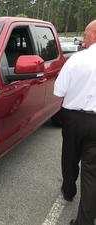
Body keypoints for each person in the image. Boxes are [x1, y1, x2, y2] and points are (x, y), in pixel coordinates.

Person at [53, 20, 96, 225]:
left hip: (73, 119)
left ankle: (69, 191)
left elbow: (58, 91)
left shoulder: (77, 59)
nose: (83, 39)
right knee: (92, 171)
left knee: (69, 157)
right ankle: (85, 221)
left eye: (86, 36)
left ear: (95, 35)